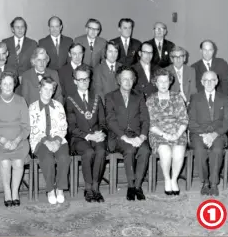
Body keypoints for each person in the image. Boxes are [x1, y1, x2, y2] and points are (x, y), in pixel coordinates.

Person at [105, 65, 150, 201]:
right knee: (130, 150)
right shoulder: (110, 97)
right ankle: (130, 186)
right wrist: (125, 138)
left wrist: (142, 136)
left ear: (134, 80)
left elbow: (145, 119)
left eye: (130, 79)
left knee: (145, 150)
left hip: (137, 135)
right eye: (124, 79)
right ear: (118, 80)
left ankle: (137, 186)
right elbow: (110, 121)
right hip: (119, 137)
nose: (128, 82)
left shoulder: (139, 96)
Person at [0, 71, 30, 207]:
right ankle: (7, 192)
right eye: (5, 83)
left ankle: (15, 192)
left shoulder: (21, 101)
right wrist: (4, 141)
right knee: (5, 163)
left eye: (10, 83)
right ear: (0, 85)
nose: (8, 86)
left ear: (14, 84)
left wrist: (16, 141)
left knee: (18, 163)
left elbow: (26, 127)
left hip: (19, 141)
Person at [66, 64, 107, 203]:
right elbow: (71, 127)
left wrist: (101, 133)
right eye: (80, 79)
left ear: (89, 80)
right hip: (79, 138)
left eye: (86, 79)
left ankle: (96, 187)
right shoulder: (70, 99)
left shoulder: (96, 98)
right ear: (75, 81)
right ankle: (88, 188)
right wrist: (88, 136)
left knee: (101, 151)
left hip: (96, 135)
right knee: (89, 152)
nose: (83, 82)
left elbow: (103, 121)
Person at [188, 71, 228, 196]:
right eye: (206, 80)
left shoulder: (224, 98)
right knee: (200, 151)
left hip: (218, 134)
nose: (209, 82)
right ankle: (205, 182)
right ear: (201, 82)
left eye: (212, 80)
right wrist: (204, 134)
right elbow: (191, 122)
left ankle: (213, 183)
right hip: (198, 134)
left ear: (216, 82)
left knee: (217, 150)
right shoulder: (195, 98)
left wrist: (214, 134)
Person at [146, 68, 188, 195]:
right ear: (156, 83)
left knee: (178, 153)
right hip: (158, 134)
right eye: (160, 81)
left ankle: (174, 179)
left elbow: (184, 119)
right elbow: (150, 123)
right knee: (165, 152)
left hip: (178, 133)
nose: (163, 84)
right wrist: (165, 135)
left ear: (170, 82)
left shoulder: (177, 97)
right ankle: (167, 179)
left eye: (166, 81)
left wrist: (176, 134)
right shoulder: (151, 99)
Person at [29, 76, 70, 204]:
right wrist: (47, 142)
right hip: (40, 141)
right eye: (45, 88)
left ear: (53, 91)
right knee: (48, 159)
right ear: (39, 89)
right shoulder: (33, 107)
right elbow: (33, 128)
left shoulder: (58, 106)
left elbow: (63, 126)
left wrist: (57, 141)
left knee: (64, 157)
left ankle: (60, 189)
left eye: (50, 89)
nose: (47, 92)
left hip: (58, 139)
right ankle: (50, 189)